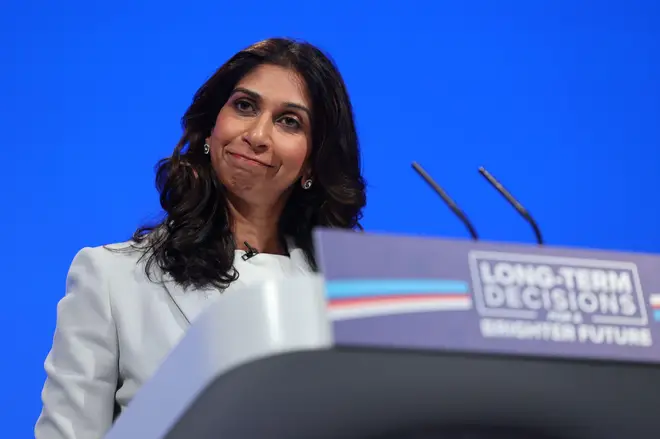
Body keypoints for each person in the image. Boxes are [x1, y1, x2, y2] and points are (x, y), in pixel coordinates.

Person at [35, 37, 366, 439]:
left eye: (289, 122)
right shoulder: (111, 278)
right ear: (211, 126)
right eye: (245, 106)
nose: (258, 134)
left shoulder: (347, 298)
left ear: (312, 160)